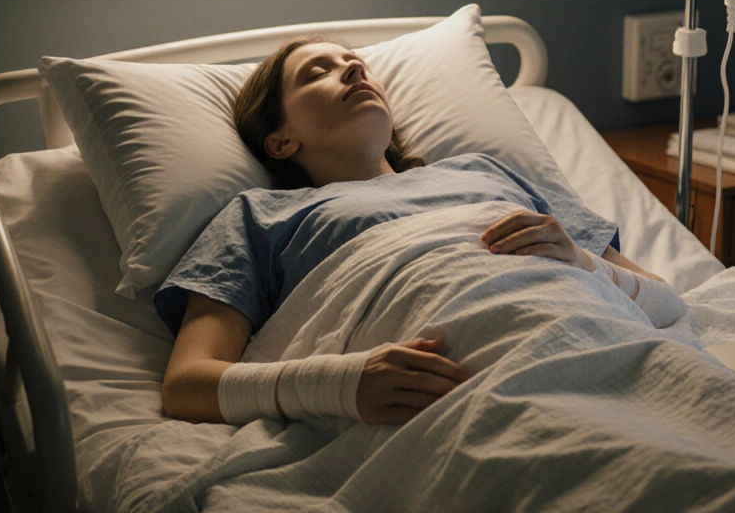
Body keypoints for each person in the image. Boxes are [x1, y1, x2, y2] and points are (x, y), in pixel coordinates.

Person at [158, 38, 685, 427]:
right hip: (453, 394)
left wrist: (584, 263)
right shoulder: (261, 216)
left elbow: (666, 302)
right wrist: (343, 383)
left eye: (355, 64)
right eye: (319, 71)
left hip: (594, 342)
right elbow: (187, 386)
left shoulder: (486, 172)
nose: (352, 71)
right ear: (279, 142)